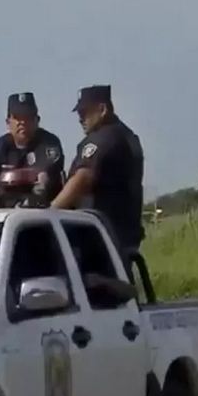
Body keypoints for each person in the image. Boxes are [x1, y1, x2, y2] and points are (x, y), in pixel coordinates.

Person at [50, 85, 145, 270]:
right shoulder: (126, 136)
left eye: (85, 112)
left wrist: (50, 211)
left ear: (102, 110)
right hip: (119, 233)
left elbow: (83, 178)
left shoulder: (105, 137)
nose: (80, 119)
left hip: (100, 234)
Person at [0, 92, 65, 206]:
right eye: (17, 118)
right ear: (8, 122)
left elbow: (44, 177)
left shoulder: (49, 142)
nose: (23, 123)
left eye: (28, 117)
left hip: (43, 211)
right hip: (3, 211)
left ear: (37, 120)